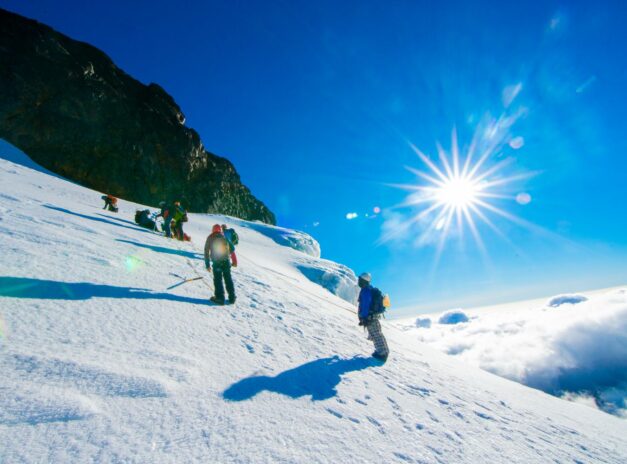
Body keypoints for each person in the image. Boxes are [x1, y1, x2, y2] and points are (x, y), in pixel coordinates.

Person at [357, 272, 389, 362]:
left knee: (376, 335)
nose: (358, 281)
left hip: (369, 317)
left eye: (360, 280)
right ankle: (381, 351)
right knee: (376, 334)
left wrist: (363, 317)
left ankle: (382, 354)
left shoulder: (366, 290)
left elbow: (365, 305)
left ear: (364, 280)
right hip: (373, 316)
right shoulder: (369, 289)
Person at [205, 224, 236, 305]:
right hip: (226, 261)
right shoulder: (224, 237)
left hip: (217, 262)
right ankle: (232, 297)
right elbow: (232, 249)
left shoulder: (210, 238)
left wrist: (207, 265)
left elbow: (206, 251)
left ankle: (220, 298)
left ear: (213, 230)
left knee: (218, 279)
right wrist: (233, 259)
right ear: (220, 230)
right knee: (228, 279)